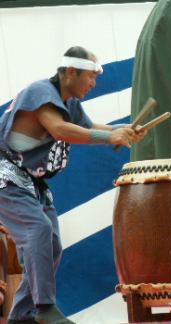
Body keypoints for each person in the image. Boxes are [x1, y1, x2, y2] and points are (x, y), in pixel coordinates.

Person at [0, 46, 147, 324]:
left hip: (31, 181)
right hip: (5, 175)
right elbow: (60, 130)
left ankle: (21, 316)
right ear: (70, 72)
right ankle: (44, 308)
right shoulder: (40, 92)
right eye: (90, 77)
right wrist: (109, 139)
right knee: (38, 229)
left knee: (52, 244)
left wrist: (123, 130)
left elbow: (88, 126)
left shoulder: (70, 104)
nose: (93, 84)